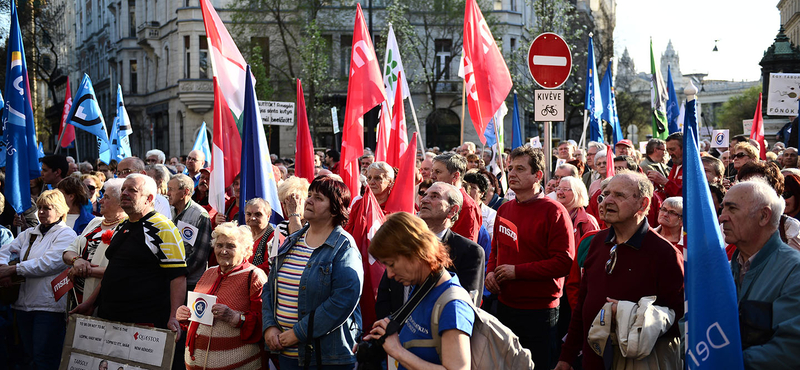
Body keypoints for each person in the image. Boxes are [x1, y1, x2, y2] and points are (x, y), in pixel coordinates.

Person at [556, 172, 684, 370]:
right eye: (605, 194)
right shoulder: (597, 242)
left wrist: (630, 315)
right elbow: (582, 304)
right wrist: (566, 357)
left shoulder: (665, 254)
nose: (607, 200)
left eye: (618, 195)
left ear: (643, 204)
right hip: (593, 362)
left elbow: (680, 319)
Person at [485, 146, 574, 368]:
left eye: (520, 169)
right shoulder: (504, 210)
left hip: (540, 312)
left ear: (538, 175)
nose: (511, 174)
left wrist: (518, 272)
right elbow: (496, 249)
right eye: (510, 168)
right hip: (505, 306)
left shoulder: (554, 212)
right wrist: (490, 273)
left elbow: (563, 262)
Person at [262, 176, 363, 370]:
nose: (308, 200)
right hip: (287, 354)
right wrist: (270, 326)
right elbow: (270, 286)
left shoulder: (344, 247)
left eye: (318, 198)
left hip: (325, 358)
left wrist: (298, 333)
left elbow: (343, 301)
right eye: (309, 195)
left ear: (335, 208)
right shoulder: (292, 240)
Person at [365, 212, 474, 370]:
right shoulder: (423, 286)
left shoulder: (453, 306)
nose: (389, 274)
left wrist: (397, 351)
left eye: (392, 264)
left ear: (415, 252)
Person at [721, 180, 800, 367]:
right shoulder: (723, 269)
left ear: (764, 216)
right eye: (723, 208)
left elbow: (791, 347)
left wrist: (726, 363)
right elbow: (692, 320)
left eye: (732, 209)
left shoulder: (794, 271)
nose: (722, 217)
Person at [95, 174, 187, 334]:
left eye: (132, 190)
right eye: (123, 189)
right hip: (109, 318)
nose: (124, 193)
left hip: (143, 324)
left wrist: (174, 317)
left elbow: (177, 276)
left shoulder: (163, 227)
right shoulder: (123, 224)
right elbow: (113, 269)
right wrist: (90, 303)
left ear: (149, 198)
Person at [0, 190, 77, 369]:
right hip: (23, 304)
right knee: (28, 354)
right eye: (40, 208)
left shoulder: (66, 234)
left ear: (59, 210)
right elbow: (5, 251)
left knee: (44, 357)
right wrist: (3, 269)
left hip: (48, 307)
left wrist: (13, 269)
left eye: (47, 208)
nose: (41, 212)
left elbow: (48, 264)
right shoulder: (29, 233)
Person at [176, 222, 268, 370]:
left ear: (245, 250)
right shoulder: (209, 273)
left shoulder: (254, 276)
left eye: (231, 246)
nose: (223, 251)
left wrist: (235, 318)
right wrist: (184, 315)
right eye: (219, 245)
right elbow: (197, 313)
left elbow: (265, 321)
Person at [63, 179, 126, 311]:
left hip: (102, 300)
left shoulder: (126, 228)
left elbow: (120, 270)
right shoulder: (95, 222)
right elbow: (68, 251)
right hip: (77, 294)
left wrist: (82, 270)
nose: (100, 200)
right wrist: (77, 260)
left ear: (121, 203)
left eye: (106, 197)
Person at [168, 174, 212, 291]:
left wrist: (178, 273)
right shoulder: (168, 211)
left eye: (171, 190)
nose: (167, 193)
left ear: (185, 192)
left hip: (190, 282)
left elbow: (199, 255)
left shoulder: (200, 215)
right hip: (168, 278)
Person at [431, 153, 482, 242]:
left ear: (455, 176)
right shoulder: (436, 198)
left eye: (438, 172)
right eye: (432, 171)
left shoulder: (467, 207)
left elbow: (466, 247)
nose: (432, 176)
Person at [243, 198, 280, 274]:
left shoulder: (274, 238)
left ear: (268, 216)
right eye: (249, 214)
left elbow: (270, 267)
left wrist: (244, 271)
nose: (252, 218)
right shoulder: (242, 235)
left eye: (258, 214)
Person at [648, 132, 684, 198]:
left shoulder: (692, 168)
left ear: (684, 148)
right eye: (667, 150)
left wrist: (665, 182)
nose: (670, 153)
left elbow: (686, 194)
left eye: (672, 149)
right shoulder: (675, 166)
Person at [463, 172, 496, 239]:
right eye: (466, 186)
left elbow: (491, 239)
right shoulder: (456, 210)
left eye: (473, 187)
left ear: (482, 193)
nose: (468, 190)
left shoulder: (491, 215)